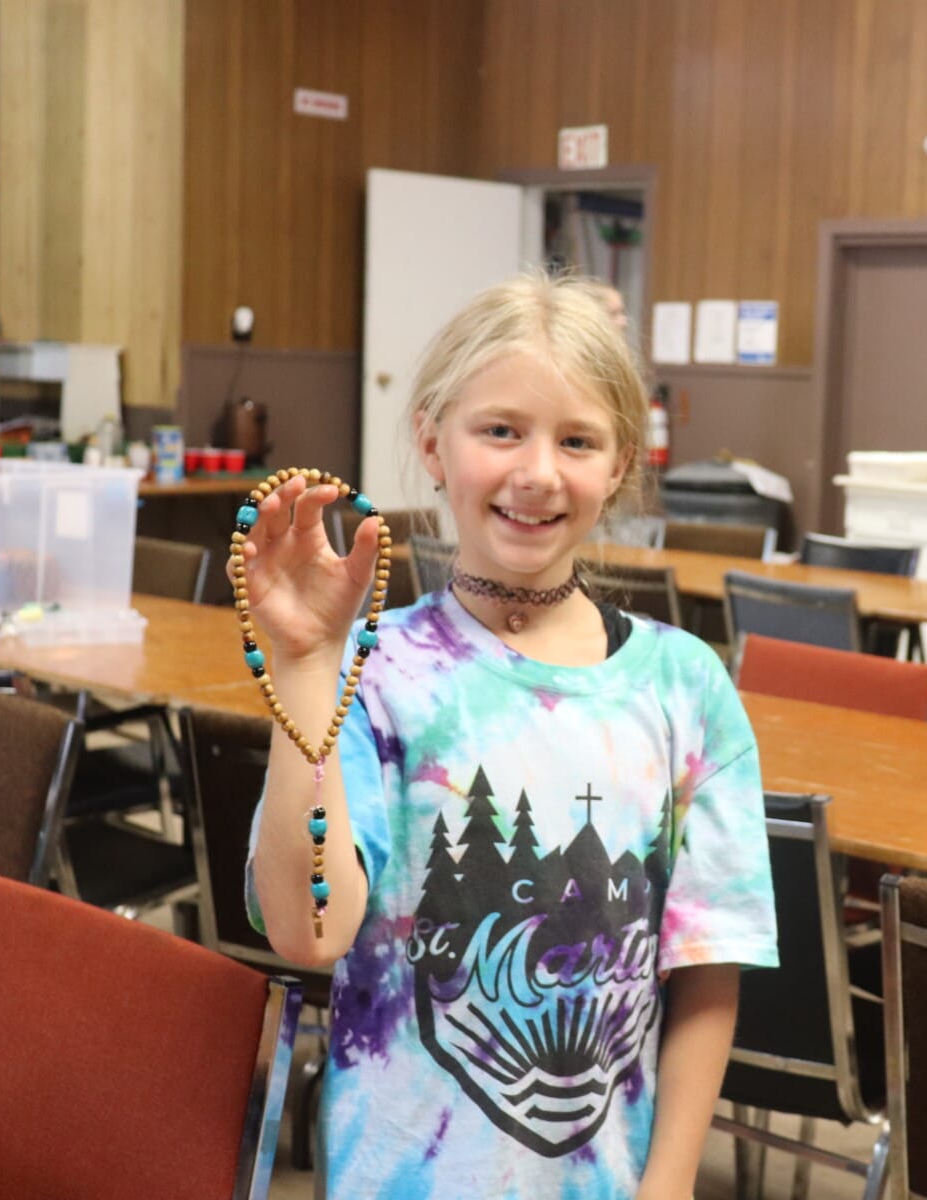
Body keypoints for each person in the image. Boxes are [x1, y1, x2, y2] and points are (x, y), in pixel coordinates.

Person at [240, 272, 777, 1198]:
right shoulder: (373, 674)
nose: (537, 472)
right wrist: (305, 667)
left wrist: (671, 1183)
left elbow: (706, 968)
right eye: (500, 430)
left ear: (619, 464)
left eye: (577, 440)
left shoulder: (686, 687)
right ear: (432, 443)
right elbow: (308, 930)